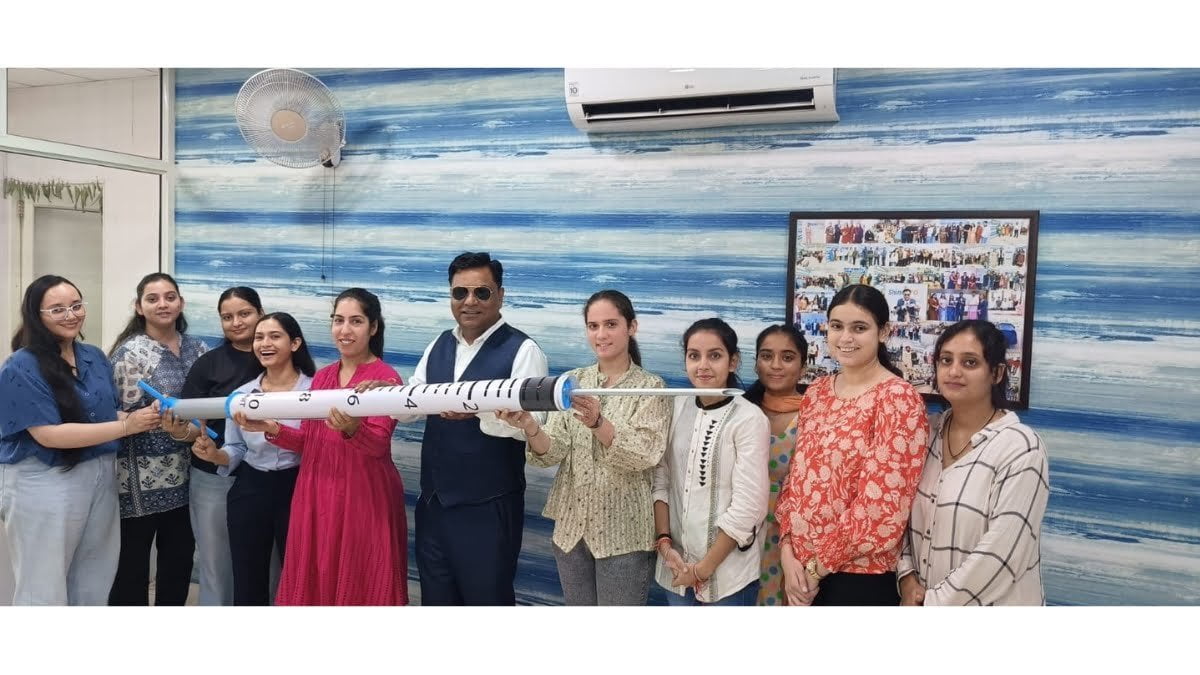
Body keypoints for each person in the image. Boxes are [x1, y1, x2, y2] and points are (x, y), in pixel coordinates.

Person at [384, 252, 549, 606]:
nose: (469, 301)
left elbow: (534, 427)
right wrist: (383, 394)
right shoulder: (438, 345)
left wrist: (477, 413)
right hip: (434, 506)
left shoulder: (523, 350)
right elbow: (412, 405)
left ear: (500, 295)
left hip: (488, 508)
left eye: (481, 292)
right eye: (460, 292)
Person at [495, 290, 669, 605]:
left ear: (632, 327)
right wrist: (530, 425)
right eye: (593, 326)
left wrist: (598, 422)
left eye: (611, 324)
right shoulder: (571, 382)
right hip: (571, 533)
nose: (601, 334)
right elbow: (552, 451)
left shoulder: (651, 387)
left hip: (624, 535)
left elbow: (646, 453)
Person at [235, 289, 408, 605]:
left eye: (356, 321)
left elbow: (378, 445)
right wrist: (272, 429)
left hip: (362, 494)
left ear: (373, 327)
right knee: (316, 579)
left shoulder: (385, 378)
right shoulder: (324, 378)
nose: (345, 330)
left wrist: (353, 428)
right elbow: (310, 442)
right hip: (317, 491)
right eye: (338, 320)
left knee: (361, 578)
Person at [0, 275, 161, 605]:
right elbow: (48, 435)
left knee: (95, 578)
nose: (71, 315)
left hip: (99, 474)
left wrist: (143, 417)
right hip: (44, 478)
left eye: (76, 305)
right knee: (43, 585)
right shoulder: (21, 366)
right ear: (36, 315)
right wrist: (127, 427)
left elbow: (104, 415)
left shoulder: (93, 357)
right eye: (57, 309)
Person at [775, 284, 929, 606]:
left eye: (859, 328)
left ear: (883, 332)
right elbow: (796, 479)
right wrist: (787, 550)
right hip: (798, 571)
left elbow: (882, 508)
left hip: (857, 576)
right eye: (837, 326)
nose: (845, 338)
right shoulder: (817, 392)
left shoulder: (897, 399)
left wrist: (817, 569)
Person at [898, 320, 1049, 605]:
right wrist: (905, 576)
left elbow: (1002, 555)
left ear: (997, 373)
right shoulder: (924, 433)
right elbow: (897, 513)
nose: (954, 371)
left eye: (970, 362)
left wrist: (932, 604)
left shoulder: (1020, 447)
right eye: (946, 360)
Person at [190, 312, 315, 605]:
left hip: (299, 486)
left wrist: (274, 429)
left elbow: (320, 446)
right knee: (247, 576)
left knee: (300, 575)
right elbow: (236, 448)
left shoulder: (315, 390)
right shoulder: (242, 395)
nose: (264, 344)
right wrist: (215, 455)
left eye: (274, 336)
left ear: (295, 343)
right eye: (259, 337)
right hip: (251, 486)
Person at [107, 272, 209, 606]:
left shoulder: (199, 349)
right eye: (152, 299)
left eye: (169, 297)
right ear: (139, 307)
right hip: (137, 481)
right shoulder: (129, 354)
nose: (162, 304)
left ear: (181, 303)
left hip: (188, 475)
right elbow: (113, 414)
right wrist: (143, 417)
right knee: (132, 569)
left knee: (178, 564)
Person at [652, 318, 769, 606]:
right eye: (694, 356)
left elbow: (748, 508)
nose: (703, 365)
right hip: (674, 569)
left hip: (729, 578)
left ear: (733, 362)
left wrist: (701, 570)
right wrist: (665, 545)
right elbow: (661, 480)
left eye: (714, 355)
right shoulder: (676, 406)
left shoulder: (749, 418)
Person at [161, 286, 265, 606]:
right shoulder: (208, 364)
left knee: (267, 562)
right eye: (227, 317)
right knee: (216, 562)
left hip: (267, 477)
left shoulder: (280, 358)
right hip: (213, 477)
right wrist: (181, 433)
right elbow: (193, 424)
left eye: (244, 314)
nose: (236, 322)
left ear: (260, 314)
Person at [741, 324, 807, 605]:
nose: (776, 365)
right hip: (741, 531)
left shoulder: (817, 416)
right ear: (756, 363)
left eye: (787, 357)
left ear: (803, 366)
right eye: (767, 356)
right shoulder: (740, 412)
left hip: (794, 536)